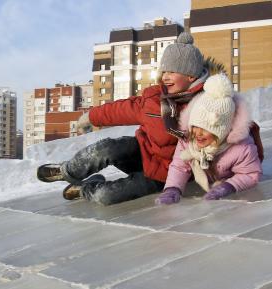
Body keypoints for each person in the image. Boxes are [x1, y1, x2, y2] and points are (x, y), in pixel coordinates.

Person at [37, 32, 210, 205]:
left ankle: (88, 188)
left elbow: (222, 142)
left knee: (105, 196)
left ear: (190, 76)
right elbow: (122, 110)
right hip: (141, 153)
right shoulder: (154, 98)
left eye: (172, 71)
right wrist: (91, 116)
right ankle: (67, 170)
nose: (165, 77)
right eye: (164, 70)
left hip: (164, 175)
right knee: (106, 148)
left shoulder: (205, 106)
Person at [156, 73, 262, 204]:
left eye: (205, 129)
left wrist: (228, 186)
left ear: (221, 131)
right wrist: (172, 189)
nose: (198, 133)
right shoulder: (188, 139)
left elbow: (250, 174)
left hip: (228, 179)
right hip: (209, 176)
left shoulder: (241, 148)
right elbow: (179, 166)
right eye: (195, 126)